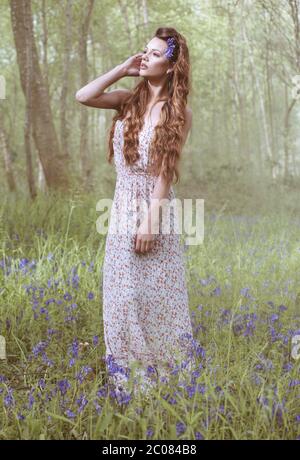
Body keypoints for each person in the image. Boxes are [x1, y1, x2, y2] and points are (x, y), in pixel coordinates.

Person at [76, 27, 195, 396]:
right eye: (144, 51)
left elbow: (165, 173)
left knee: (158, 294)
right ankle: (128, 375)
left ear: (173, 65)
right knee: (122, 293)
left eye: (155, 54)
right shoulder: (127, 99)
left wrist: (151, 221)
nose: (146, 57)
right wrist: (123, 67)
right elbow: (83, 96)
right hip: (122, 204)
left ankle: (168, 376)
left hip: (153, 208)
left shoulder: (178, 112)